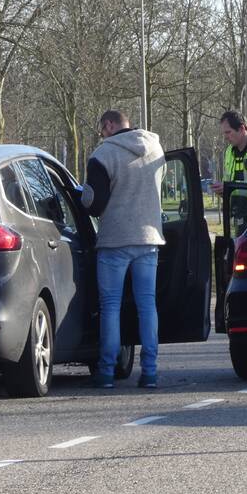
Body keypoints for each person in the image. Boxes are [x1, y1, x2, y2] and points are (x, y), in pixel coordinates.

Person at [81, 109, 165, 390]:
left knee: (110, 307)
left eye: (101, 130)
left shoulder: (103, 154)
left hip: (115, 240)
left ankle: (107, 371)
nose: (102, 135)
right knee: (147, 305)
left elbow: (94, 203)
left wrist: (82, 195)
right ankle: (150, 372)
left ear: (108, 125)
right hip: (149, 238)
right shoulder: (155, 148)